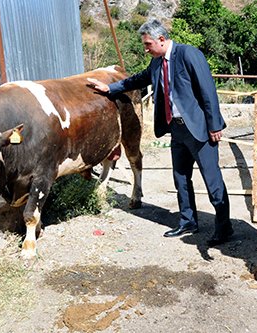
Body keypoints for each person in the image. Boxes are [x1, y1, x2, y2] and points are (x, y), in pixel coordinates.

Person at [87, 18, 233, 247]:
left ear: (161, 40)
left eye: (147, 44)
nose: (145, 49)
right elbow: (137, 80)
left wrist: (215, 126)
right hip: (176, 129)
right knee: (181, 177)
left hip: (199, 129)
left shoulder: (188, 54)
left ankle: (224, 228)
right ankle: (187, 221)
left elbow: (207, 90)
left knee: (212, 180)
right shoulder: (156, 63)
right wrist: (110, 88)